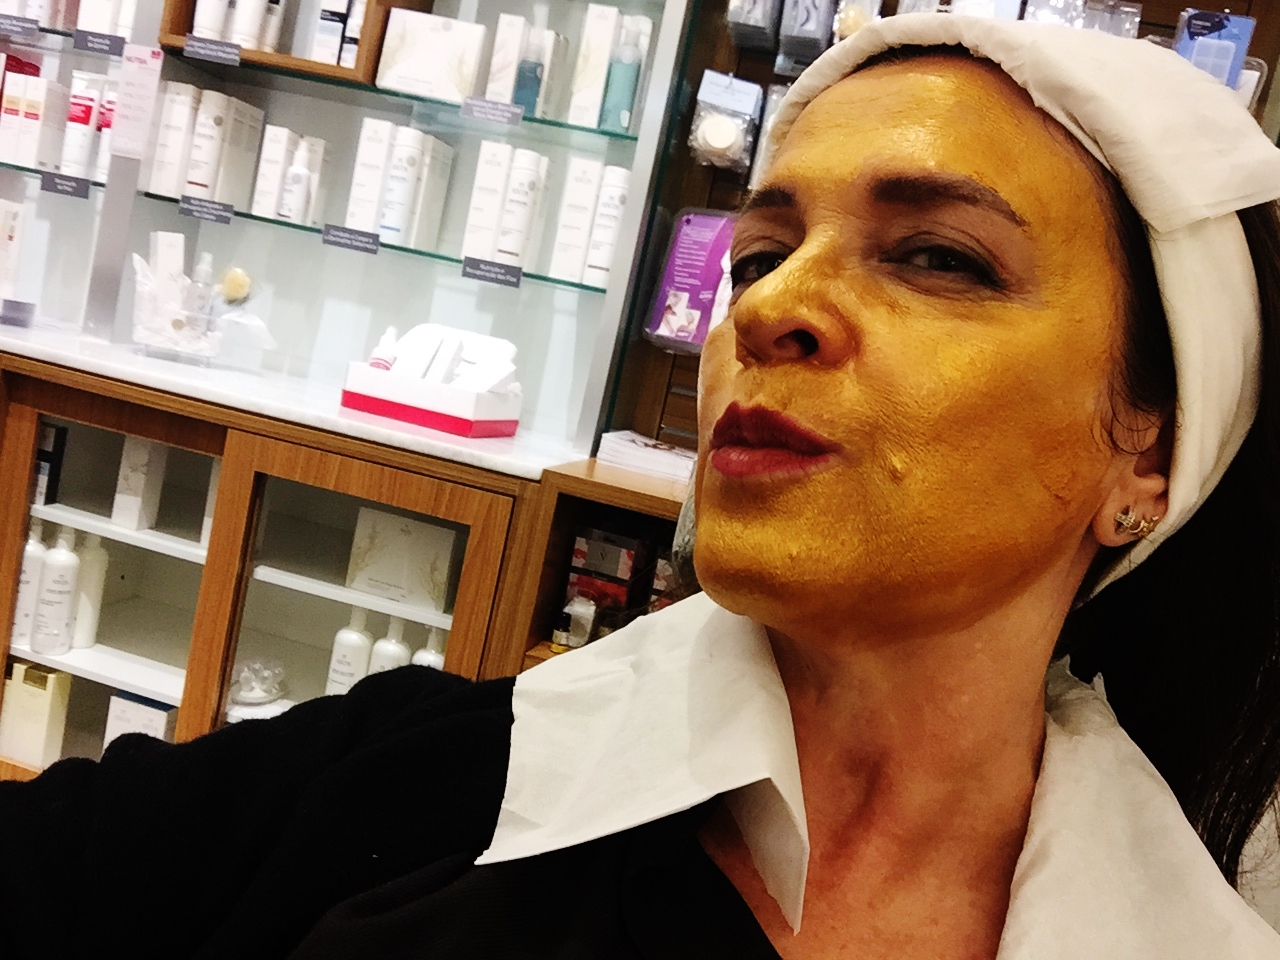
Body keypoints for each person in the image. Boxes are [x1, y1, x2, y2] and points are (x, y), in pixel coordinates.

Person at [4, 14, 1280, 960]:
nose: (766, 308)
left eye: (938, 257)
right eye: (760, 254)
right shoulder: (410, 788)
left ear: (1149, 457)